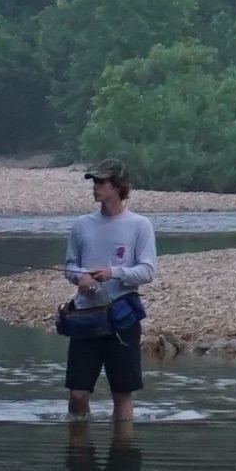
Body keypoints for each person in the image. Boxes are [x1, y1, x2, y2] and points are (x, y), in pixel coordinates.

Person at [56, 165, 156, 429]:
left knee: (122, 394)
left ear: (117, 186)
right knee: (77, 394)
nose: (95, 187)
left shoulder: (140, 225)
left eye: (101, 182)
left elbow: (147, 271)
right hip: (85, 318)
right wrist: (81, 278)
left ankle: (123, 452)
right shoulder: (81, 225)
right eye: (94, 182)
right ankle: (78, 450)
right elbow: (70, 266)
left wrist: (113, 273)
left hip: (122, 320)